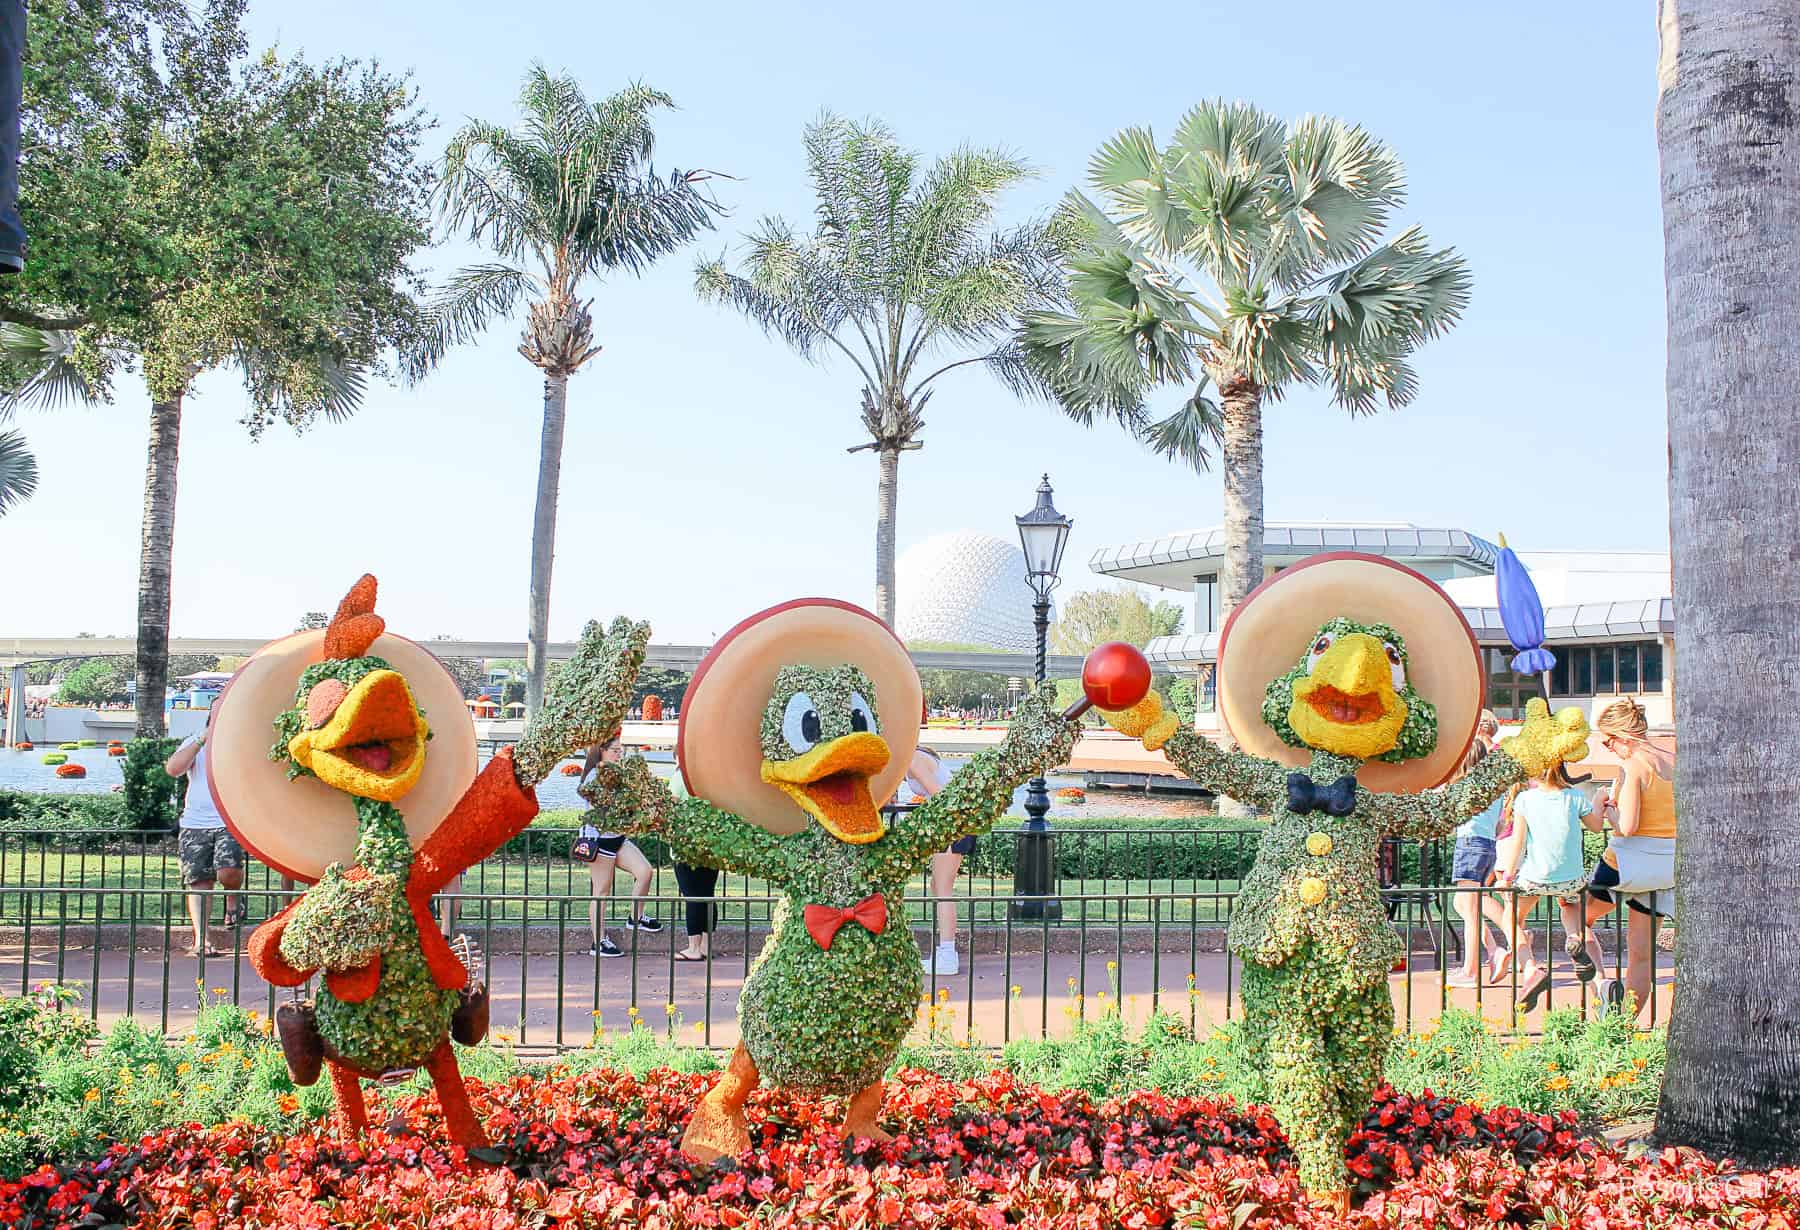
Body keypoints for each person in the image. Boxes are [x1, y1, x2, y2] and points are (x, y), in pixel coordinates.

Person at [1584, 697, 1677, 1018]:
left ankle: (1599, 981)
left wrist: (1606, 808)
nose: (1607, 746)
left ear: (1624, 735)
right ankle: (1621, 1025)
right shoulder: (1672, 760)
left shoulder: (1634, 766)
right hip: (1664, 868)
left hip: (1623, 866)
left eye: (1608, 740)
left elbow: (1628, 826)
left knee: (1575, 917)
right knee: (1642, 957)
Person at [1495, 760, 1604, 1010]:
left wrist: (1507, 876)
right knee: (1570, 908)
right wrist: (1599, 799)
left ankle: (1530, 968)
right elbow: (1597, 827)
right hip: (1572, 879)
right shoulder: (1574, 797)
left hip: (1535, 878)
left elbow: (1518, 842)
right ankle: (1574, 939)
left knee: (1510, 917)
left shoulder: (1525, 799)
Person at [163, 709, 246, 957]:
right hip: (194, 823)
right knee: (199, 882)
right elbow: (173, 769)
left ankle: (233, 898)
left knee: (229, 872)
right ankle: (202, 939)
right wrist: (202, 740)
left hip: (227, 821)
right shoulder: (194, 742)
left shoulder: (237, 743)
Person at [576, 736, 662, 957]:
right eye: (615, 750)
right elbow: (602, 808)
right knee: (602, 890)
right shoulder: (594, 777)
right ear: (601, 751)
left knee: (645, 871)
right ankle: (599, 941)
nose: (619, 754)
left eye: (620, 750)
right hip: (600, 841)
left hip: (618, 838)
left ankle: (636, 916)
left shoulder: (619, 774)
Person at [1446, 740, 1510, 987]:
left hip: (1470, 844)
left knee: (1470, 910)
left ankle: (1471, 970)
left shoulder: (1466, 786)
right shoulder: (1494, 788)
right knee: (1462, 903)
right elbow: (1500, 824)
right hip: (1487, 845)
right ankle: (1494, 951)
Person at [908, 747, 963, 977]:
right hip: (952, 823)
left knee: (943, 889)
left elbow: (939, 794)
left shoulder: (912, 759)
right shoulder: (913, 757)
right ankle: (945, 952)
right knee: (937, 887)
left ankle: (948, 956)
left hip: (952, 824)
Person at [669, 761, 717, 962]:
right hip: (711, 845)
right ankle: (706, 945)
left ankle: (693, 947)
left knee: (692, 896)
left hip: (686, 847)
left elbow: (670, 806)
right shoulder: (711, 777)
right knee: (707, 895)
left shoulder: (680, 778)